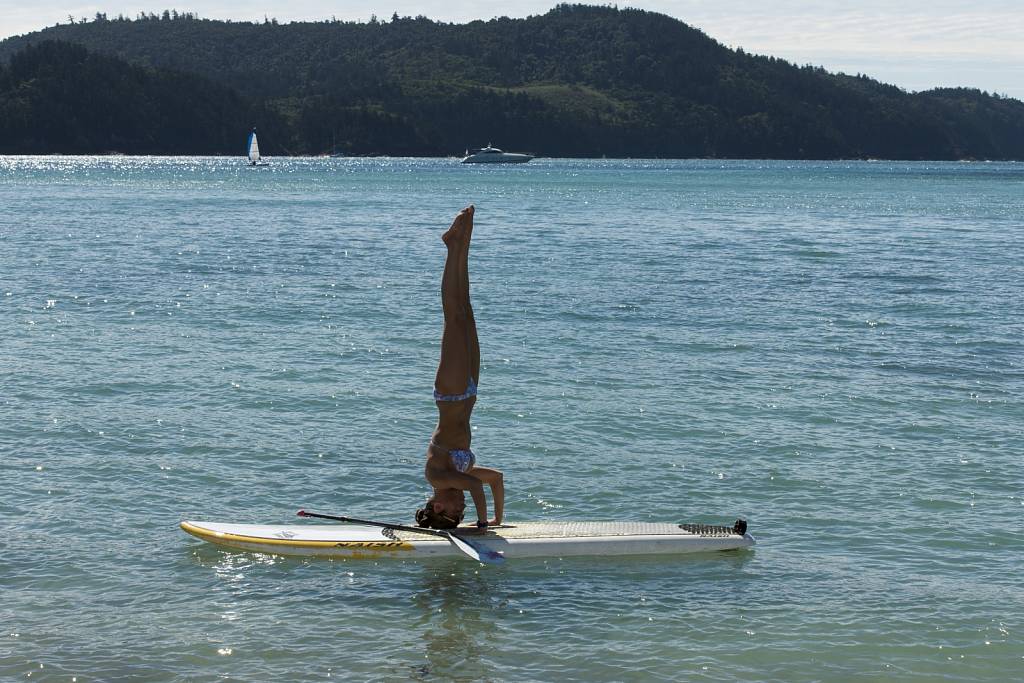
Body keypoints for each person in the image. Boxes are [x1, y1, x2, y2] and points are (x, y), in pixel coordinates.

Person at [415, 205, 504, 530]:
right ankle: (462, 242)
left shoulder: (438, 475)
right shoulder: (460, 478)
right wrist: (497, 518)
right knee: (466, 311)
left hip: (451, 394)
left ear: (437, 505)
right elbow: (495, 479)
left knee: (453, 316)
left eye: (455, 512)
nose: (461, 508)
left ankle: (453, 246)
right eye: (463, 514)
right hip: (469, 391)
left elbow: (478, 487)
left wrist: (482, 523)